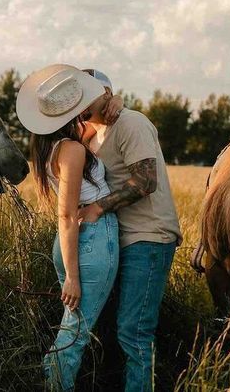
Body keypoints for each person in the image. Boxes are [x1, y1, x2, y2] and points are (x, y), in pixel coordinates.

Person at [15, 64, 121, 391]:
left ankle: (49, 380)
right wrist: (73, 277)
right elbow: (65, 215)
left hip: (71, 245)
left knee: (70, 327)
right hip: (89, 244)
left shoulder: (52, 147)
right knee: (75, 334)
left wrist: (115, 102)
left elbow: (93, 127)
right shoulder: (73, 150)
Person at [79, 68, 183, 392]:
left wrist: (96, 208)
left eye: (87, 92)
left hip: (148, 238)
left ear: (105, 94)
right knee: (119, 327)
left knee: (133, 330)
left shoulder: (131, 122)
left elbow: (146, 181)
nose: (79, 98)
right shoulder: (93, 135)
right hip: (119, 240)